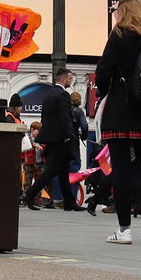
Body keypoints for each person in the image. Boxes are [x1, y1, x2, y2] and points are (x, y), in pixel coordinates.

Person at [93, 0, 141, 245]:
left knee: (122, 168)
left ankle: (124, 229)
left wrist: (106, 95)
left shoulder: (120, 35)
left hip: (121, 109)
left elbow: (103, 71)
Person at [23, 69, 82, 211]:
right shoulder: (63, 95)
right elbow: (64, 118)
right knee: (52, 170)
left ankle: (69, 202)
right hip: (61, 139)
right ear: (63, 80)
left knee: (63, 170)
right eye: (69, 78)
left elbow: (45, 118)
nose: (71, 80)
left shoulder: (48, 94)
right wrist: (68, 136)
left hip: (50, 138)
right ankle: (29, 194)